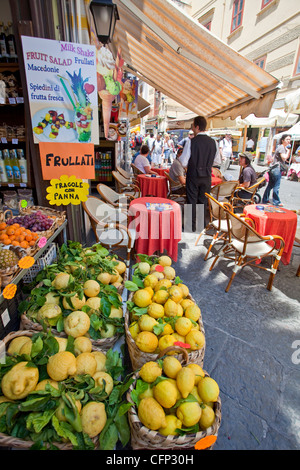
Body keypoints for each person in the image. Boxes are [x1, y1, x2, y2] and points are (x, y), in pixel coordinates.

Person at [186, 116, 217, 231]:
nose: (192, 128)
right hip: (207, 175)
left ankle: (190, 225)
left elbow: (184, 161)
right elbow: (217, 161)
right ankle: (200, 226)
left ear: (197, 127)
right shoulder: (213, 142)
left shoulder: (191, 142)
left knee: (191, 199)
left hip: (193, 174)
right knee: (203, 200)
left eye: (193, 126)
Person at [262, 134, 291, 207]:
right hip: (276, 169)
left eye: (289, 139)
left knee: (270, 185)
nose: (289, 141)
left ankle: (265, 199)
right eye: (287, 139)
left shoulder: (281, 148)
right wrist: (288, 151)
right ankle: (276, 201)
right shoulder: (282, 148)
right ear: (283, 140)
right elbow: (284, 158)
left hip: (273, 168)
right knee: (276, 186)